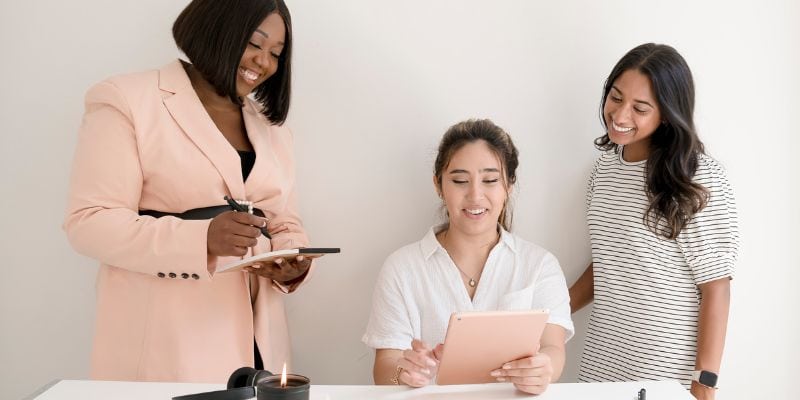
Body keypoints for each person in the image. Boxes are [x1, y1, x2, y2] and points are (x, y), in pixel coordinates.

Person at [64, 0, 313, 383]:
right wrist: (202, 238)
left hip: (259, 340)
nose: (263, 62)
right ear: (215, 30)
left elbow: (283, 219)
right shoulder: (127, 99)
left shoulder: (271, 130)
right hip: (166, 339)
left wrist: (291, 258)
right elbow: (90, 223)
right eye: (254, 43)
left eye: (276, 53)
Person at [568, 43, 740, 400]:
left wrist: (704, 383)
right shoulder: (603, 170)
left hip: (664, 377)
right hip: (600, 367)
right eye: (615, 97)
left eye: (640, 108)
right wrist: (550, 313)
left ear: (666, 114)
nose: (620, 114)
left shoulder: (699, 178)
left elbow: (716, 288)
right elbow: (609, 262)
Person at [362, 119, 574, 395]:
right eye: (460, 181)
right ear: (438, 184)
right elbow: (384, 371)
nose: (475, 195)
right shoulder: (402, 268)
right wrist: (405, 371)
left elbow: (553, 349)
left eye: (490, 180)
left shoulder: (539, 265)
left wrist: (543, 368)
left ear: (508, 185)